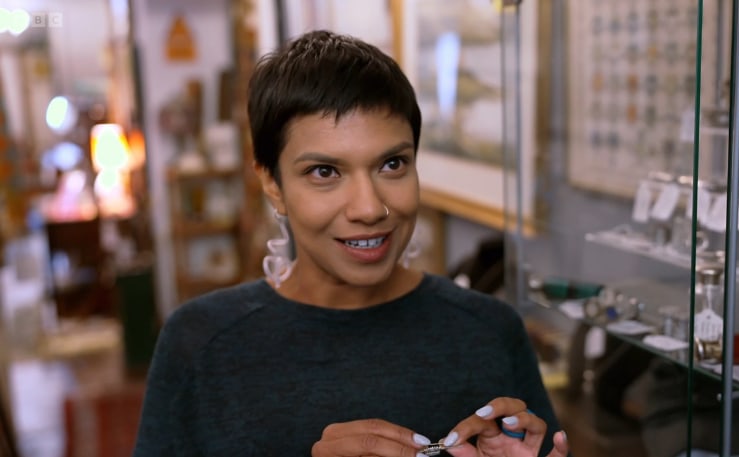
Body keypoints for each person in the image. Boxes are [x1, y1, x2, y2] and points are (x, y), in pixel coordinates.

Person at [132, 29, 569, 457]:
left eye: (392, 164)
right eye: (325, 172)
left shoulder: (490, 332)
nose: (369, 207)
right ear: (274, 185)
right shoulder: (202, 345)